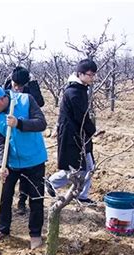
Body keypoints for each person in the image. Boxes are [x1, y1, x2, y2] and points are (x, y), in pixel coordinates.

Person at [0, 84, 47, 249]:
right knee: (3, 196)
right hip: (11, 161)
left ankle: (35, 234)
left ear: (2, 99)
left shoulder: (25, 100)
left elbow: (41, 123)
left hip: (34, 159)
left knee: (36, 198)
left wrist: (19, 123)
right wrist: (2, 165)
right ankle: (2, 228)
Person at [0, 66, 45, 215]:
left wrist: (20, 122)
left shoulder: (28, 95)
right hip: (8, 143)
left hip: (27, 141)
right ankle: (0, 206)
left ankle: (22, 201)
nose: (17, 88)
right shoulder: (4, 92)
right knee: (2, 175)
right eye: (15, 85)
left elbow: (40, 105)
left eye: (20, 86)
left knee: (26, 178)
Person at [46, 59, 97, 205]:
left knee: (85, 166)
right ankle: (53, 182)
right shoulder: (74, 92)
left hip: (78, 134)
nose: (92, 78)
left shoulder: (79, 89)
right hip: (72, 135)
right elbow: (81, 116)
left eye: (94, 75)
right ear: (80, 74)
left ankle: (80, 194)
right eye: (90, 75)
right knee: (80, 167)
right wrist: (92, 130)